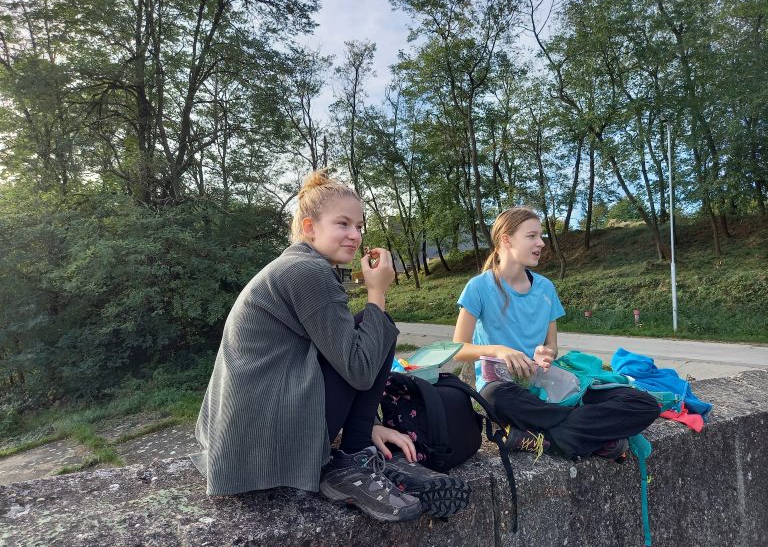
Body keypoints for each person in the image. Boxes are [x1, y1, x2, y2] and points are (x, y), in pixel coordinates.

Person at [191, 170, 468, 523]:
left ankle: (360, 446)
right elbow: (359, 368)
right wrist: (377, 292)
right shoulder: (309, 273)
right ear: (310, 227)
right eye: (343, 224)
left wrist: (367, 423)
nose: (355, 235)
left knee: (369, 327)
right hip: (261, 442)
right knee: (377, 326)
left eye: (360, 226)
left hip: (242, 435)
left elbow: (335, 352)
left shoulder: (296, 265)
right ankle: (353, 459)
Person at [452, 207, 660, 461]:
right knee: (494, 398)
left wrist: (545, 353)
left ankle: (548, 440)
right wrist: (498, 350)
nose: (541, 243)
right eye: (532, 236)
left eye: (541, 236)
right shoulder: (479, 287)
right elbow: (459, 348)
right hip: (505, 388)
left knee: (644, 404)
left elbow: (552, 347)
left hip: (546, 383)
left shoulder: (545, 288)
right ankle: (594, 436)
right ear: (506, 239)